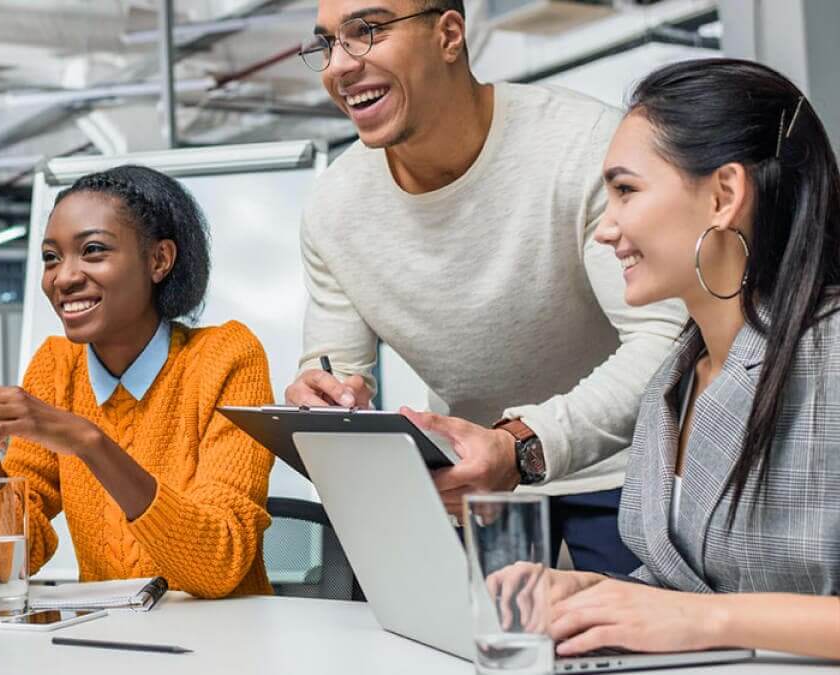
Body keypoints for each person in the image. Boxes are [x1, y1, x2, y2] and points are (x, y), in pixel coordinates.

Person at [284, 0, 686, 574]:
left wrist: (524, 443)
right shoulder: (333, 208)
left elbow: (663, 339)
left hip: (631, 470)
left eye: (366, 32)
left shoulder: (583, 143)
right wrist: (322, 398)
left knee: (638, 656)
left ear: (449, 35)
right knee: (474, 655)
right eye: (327, 44)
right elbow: (333, 369)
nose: (339, 66)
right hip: (476, 485)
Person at [535, 58, 840, 659]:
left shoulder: (830, 353)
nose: (605, 228)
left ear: (724, 195)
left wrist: (707, 620)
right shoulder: (675, 381)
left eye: (625, 191)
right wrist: (594, 595)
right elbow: (693, 587)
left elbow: (709, 611)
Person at [0, 165, 275, 598]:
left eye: (92, 250)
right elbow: (10, 557)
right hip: (113, 641)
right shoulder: (56, 366)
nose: (64, 277)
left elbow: (216, 568)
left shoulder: (228, 358)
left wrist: (88, 441)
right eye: (51, 257)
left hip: (231, 648)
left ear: (159, 260)